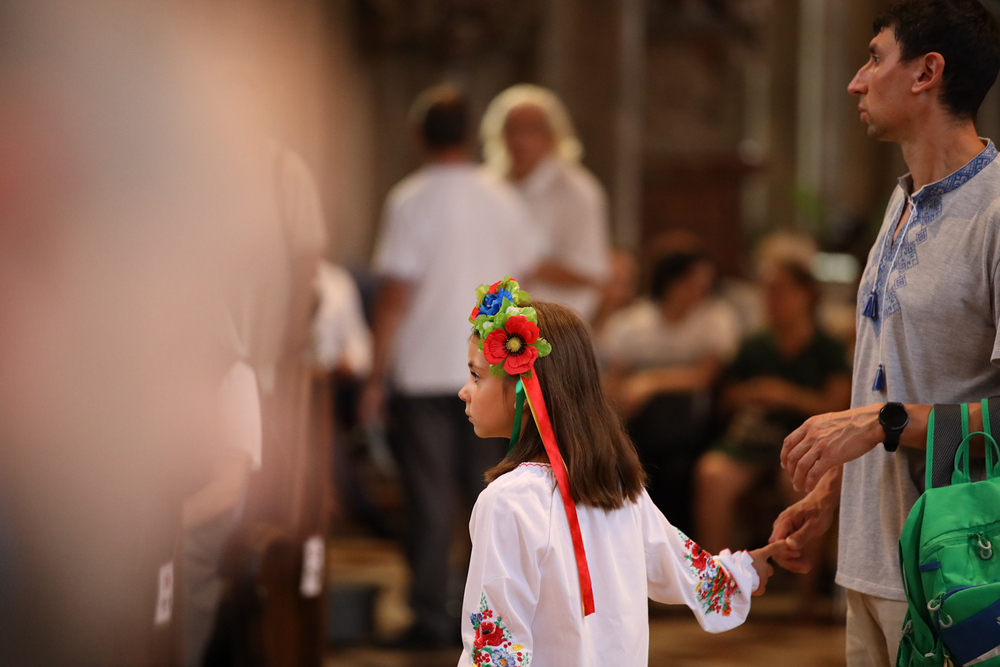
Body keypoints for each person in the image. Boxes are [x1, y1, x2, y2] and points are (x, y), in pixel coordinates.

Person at [767, 2, 1000, 665]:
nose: (855, 81)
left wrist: (885, 421)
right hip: (869, 564)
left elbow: (889, 414)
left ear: (927, 72)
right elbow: (891, 376)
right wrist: (833, 490)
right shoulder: (902, 200)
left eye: (874, 58)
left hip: (958, 573)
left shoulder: (994, 212)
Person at [457, 278, 795, 666]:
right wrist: (742, 573)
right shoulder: (615, 488)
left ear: (526, 388)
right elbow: (679, 566)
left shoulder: (507, 501)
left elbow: (495, 642)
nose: (465, 390)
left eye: (476, 376)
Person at [359, 84, 539, 647]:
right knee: (492, 495)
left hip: (424, 369)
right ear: (471, 134)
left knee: (430, 498)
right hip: (492, 366)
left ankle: (432, 616)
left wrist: (375, 374)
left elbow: (395, 294)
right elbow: (520, 282)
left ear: (418, 136)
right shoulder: (504, 197)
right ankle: (495, 617)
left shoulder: (411, 198)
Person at [694, 261, 851, 559]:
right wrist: (753, 393)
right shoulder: (755, 345)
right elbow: (726, 397)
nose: (771, 300)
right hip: (754, 438)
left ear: (806, 295)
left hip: (807, 442)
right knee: (711, 474)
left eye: (780, 291)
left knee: (805, 482)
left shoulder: (827, 347)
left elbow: (838, 405)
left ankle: (803, 583)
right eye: (766, 292)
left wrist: (787, 396)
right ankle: (717, 575)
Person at [602, 251, 741, 533]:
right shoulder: (632, 323)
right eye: (691, 283)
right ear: (670, 282)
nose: (699, 291)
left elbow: (705, 377)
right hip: (637, 421)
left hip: (694, 426)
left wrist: (651, 383)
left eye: (705, 284)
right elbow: (615, 380)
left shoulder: (714, 319)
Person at [481, 84, 611, 321]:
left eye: (531, 130)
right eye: (512, 129)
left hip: (555, 325)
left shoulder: (577, 191)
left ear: (553, 135)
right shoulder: (488, 186)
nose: (520, 139)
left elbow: (592, 271)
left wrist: (526, 263)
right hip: (496, 324)